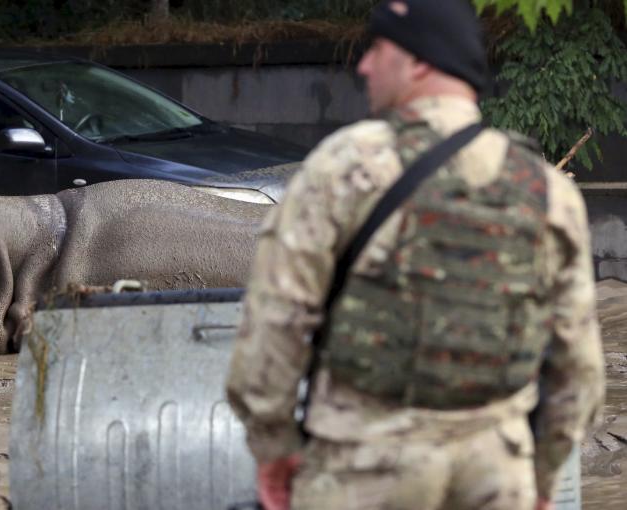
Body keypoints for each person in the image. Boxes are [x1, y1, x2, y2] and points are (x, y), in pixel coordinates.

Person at [225, 1, 605, 510]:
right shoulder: (546, 188)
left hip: (363, 466)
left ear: (420, 61)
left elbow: (277, 321)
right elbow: (578, 365)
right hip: (495, 472)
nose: (363, 66)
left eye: (378, 49)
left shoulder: (343, 166)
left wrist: (273, 449)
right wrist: (541, 475)